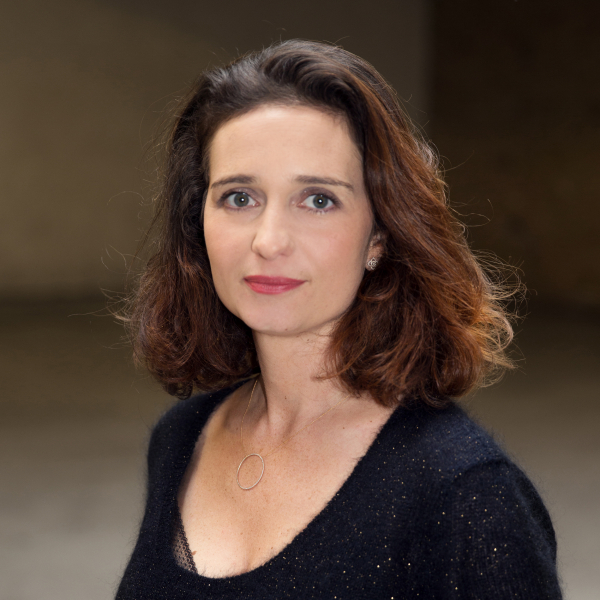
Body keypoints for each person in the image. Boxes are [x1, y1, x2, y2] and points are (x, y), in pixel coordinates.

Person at [115, 40, 562, 599]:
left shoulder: (467, 494)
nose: (269, 241)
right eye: (239, 198)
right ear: (197, 222)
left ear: (379, 235)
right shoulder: (181, 439)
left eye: (318, 200)